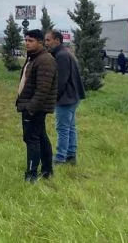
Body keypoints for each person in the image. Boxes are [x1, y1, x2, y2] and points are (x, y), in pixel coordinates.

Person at [17, 29, 58, 182]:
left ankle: (31, 174)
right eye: (26, 40)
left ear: (40, 42)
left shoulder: (45, 60)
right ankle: (47, 170)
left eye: (31, 40)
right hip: (31, 105)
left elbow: (43, 89)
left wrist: (30, 109)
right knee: (40, 137)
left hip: (35, 108)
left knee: (32, 139)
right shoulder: (33, 58)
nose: (27, 43)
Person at [45, 30, 86, 165]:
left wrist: (53, 98)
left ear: (57, 40)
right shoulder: (65, 52)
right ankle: (71, 155)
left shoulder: (61, 55)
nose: (46, 43)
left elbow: (61, 80)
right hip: (73, 96)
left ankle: (61, 158)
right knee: (70, 127)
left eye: (48, 40)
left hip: (66, 98)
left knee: (62, 128)